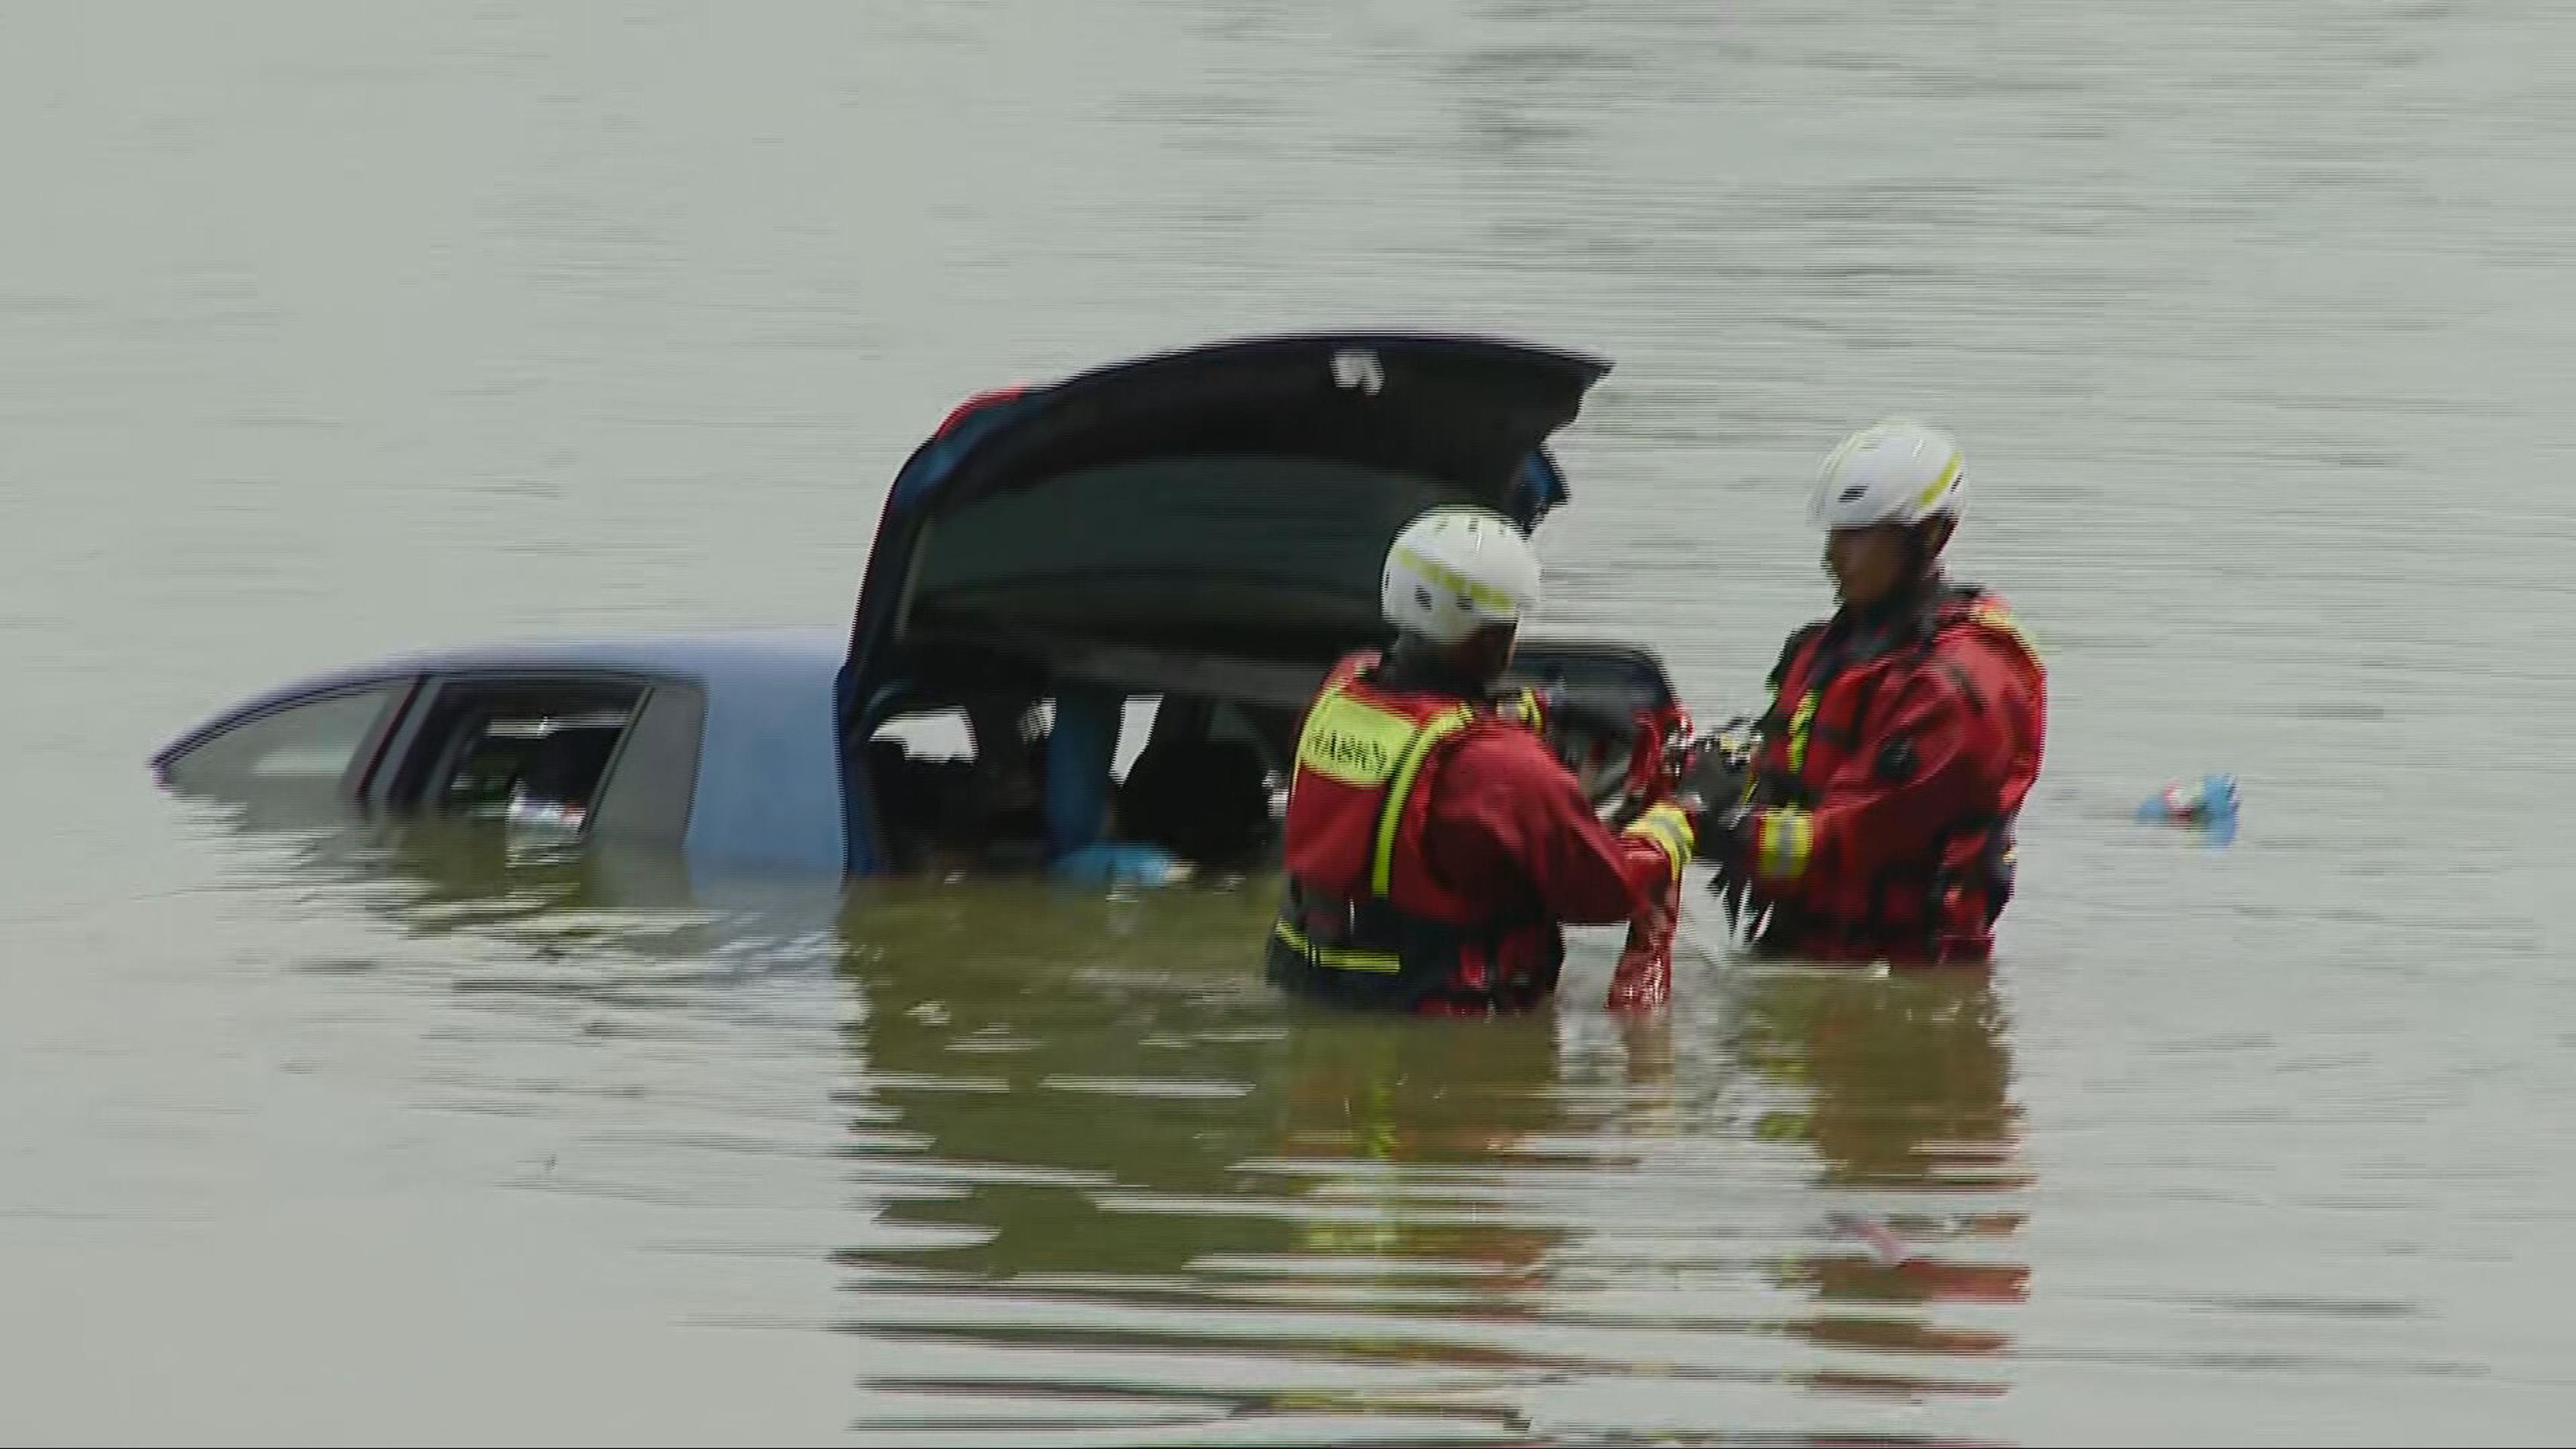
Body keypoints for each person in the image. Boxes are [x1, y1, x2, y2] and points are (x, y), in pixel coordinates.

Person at [1266, 504, 1698, 1016]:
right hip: (1438, 1015)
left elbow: (1420, 733)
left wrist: (1536, 710)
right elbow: (1604, 891)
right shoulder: (1503, 767)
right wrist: (1675, 823)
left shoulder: (1341, 689)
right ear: (1494, 638)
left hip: (1309, 984)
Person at [1706, 419, 2048, 967]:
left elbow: (1856, 835)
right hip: (1799, 946)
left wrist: (1714, 830)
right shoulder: (1824, 649)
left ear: (1931, 536)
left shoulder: (1958, 686)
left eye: (1858, 535)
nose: (1832, 558)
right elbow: (1784, 766)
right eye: (1833, 534)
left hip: (1904, 966)